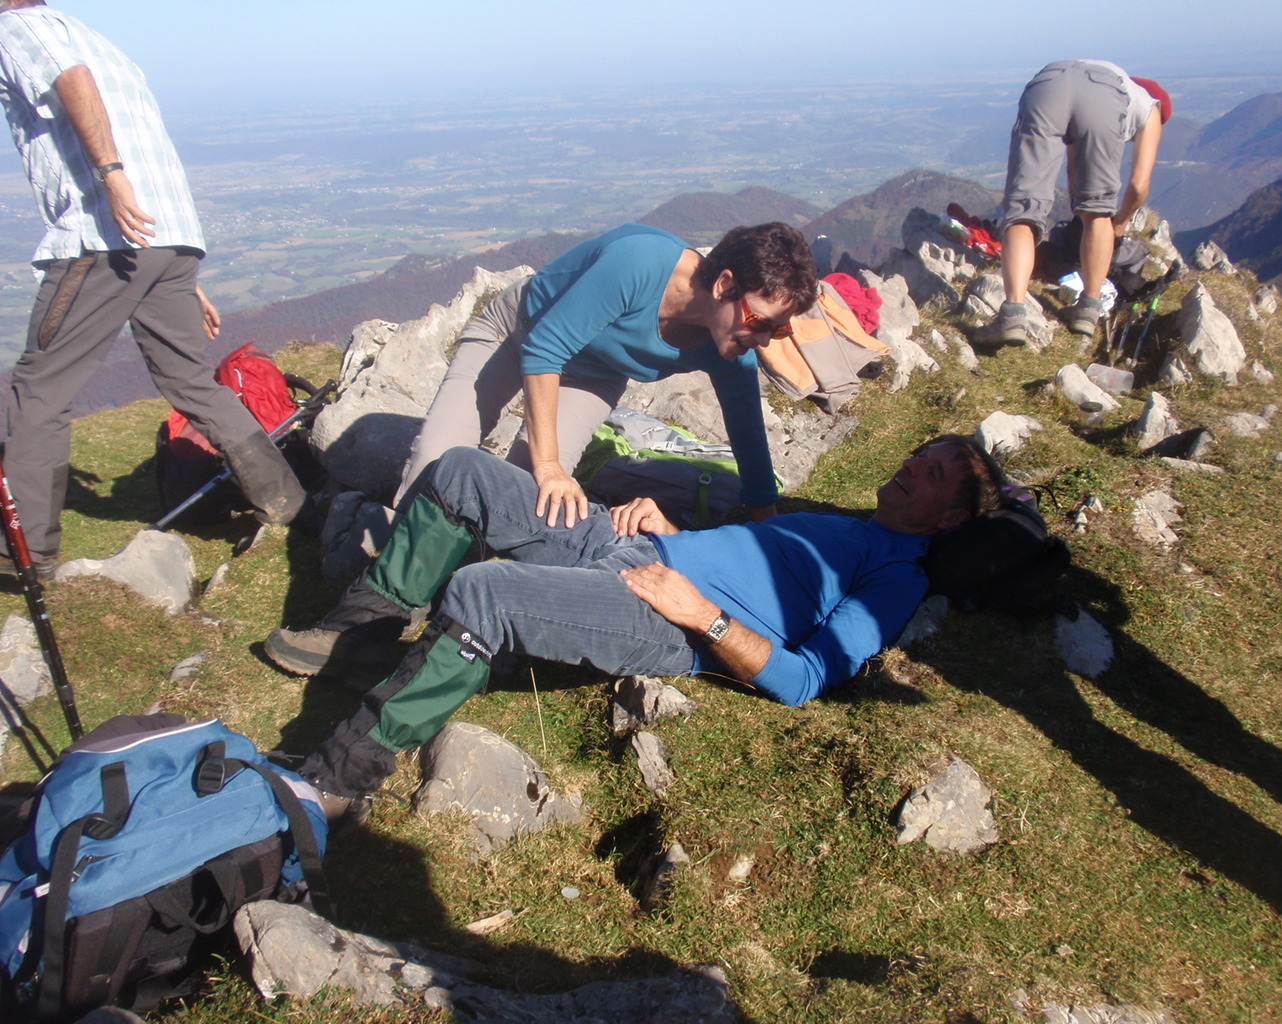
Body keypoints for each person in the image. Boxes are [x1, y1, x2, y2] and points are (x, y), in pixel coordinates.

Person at [268, 438, 1003, 814]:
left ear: (950, 519)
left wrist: (703, 616)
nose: (912, 466)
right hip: (630, 544)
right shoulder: (851, 525)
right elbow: (752, 569)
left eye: (933, 473)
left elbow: (805, 679)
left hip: (661, 616)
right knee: (462, 469)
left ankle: (336, 781)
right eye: (919, 456)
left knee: (483, 592)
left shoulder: (897, 578)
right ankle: (359, 640)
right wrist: (672, 532)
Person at [0, 1, 304, 577]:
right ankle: (286, 500)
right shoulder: (96, 40)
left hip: (103, 233)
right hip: (165, 237)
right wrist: (177, 269)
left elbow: (72, 80)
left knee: (40, 387)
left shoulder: (14, 28)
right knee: (190, 380)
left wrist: (110, 177)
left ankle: (26, 554)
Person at [393, 221, 818, 528]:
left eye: (778, 330)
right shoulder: (640, 263)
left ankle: (459, 567)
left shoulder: (730, 347)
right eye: (759, 321)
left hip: (594, 376)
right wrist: (549, 464)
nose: (763, 340)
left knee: (524, 491)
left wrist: (767, 525)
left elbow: (746, 429)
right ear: (724, 285)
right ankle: (392, 571)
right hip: (517, 332)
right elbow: (544, 350)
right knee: (438, 457)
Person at [979, 60, 1172, 345]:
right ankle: (1088, 310)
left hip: (1047, 84)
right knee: (1098, 211)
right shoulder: (1153, 106)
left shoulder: (1116, 80)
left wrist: (1076, 210)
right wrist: (1119, 222)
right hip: (1104, 95)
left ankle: (1011, 317)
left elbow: (1073, 169)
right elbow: (1138, 185)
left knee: (1024, 211)